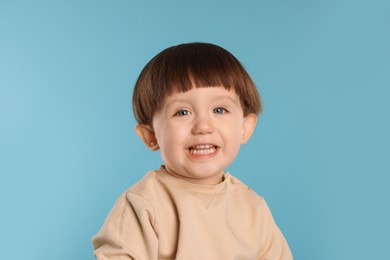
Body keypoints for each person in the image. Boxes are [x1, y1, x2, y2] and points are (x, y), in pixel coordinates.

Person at [92, 42, 293, 259]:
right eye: (182, 112)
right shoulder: (143, 205)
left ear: (245, 128)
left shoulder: (253, 209)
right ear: (151, 136)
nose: (203, 127)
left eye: (219, 109)